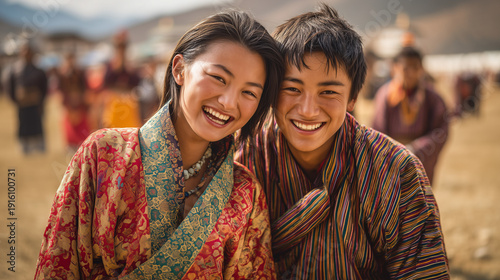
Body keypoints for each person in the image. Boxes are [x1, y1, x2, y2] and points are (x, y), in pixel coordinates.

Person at [35, 9, 283, 279]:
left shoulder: (245, 193)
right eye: (218, 78)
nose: (228, 102)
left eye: (249, 92)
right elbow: (58, 265)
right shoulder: (103, 155)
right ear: (179, 69)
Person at [236, 4, 449, 279]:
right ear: (272, 88)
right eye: (292, 88)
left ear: (352, 99)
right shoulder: (247, 160)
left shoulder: (396, 171)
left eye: (328, 91)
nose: (308, 110)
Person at [372, 47, 449, 184]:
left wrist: (417, 149)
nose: (411, 73)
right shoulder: (385, 95)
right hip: (392, 159)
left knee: (419, 200)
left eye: (415, 68)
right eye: (406, 68)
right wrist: (393, 153)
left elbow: (441, 130)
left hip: (420, 158)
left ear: (422, 69)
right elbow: (377, 130)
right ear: (395, 68)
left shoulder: (432, 97)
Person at [4, 42, 48, 154]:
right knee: (23, 126)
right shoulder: (14, 70)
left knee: (37, 126)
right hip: (22, 106)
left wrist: (40, 101)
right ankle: (24, 149)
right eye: (24, 50)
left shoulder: (39, 71)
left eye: (29, 51)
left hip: (35, 105)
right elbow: (9, 87)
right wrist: (17, 100)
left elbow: (44, 88)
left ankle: (39, 149)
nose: (27, 53)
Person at [56, 52, 91, 152]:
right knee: (69, 129)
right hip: (69, 106)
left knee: (82, 129)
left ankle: (83, 147)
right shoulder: (62, 75)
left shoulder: (80, 73)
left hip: (80, 106)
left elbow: (85, 89)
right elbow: (60, 91)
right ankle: (70, 147)